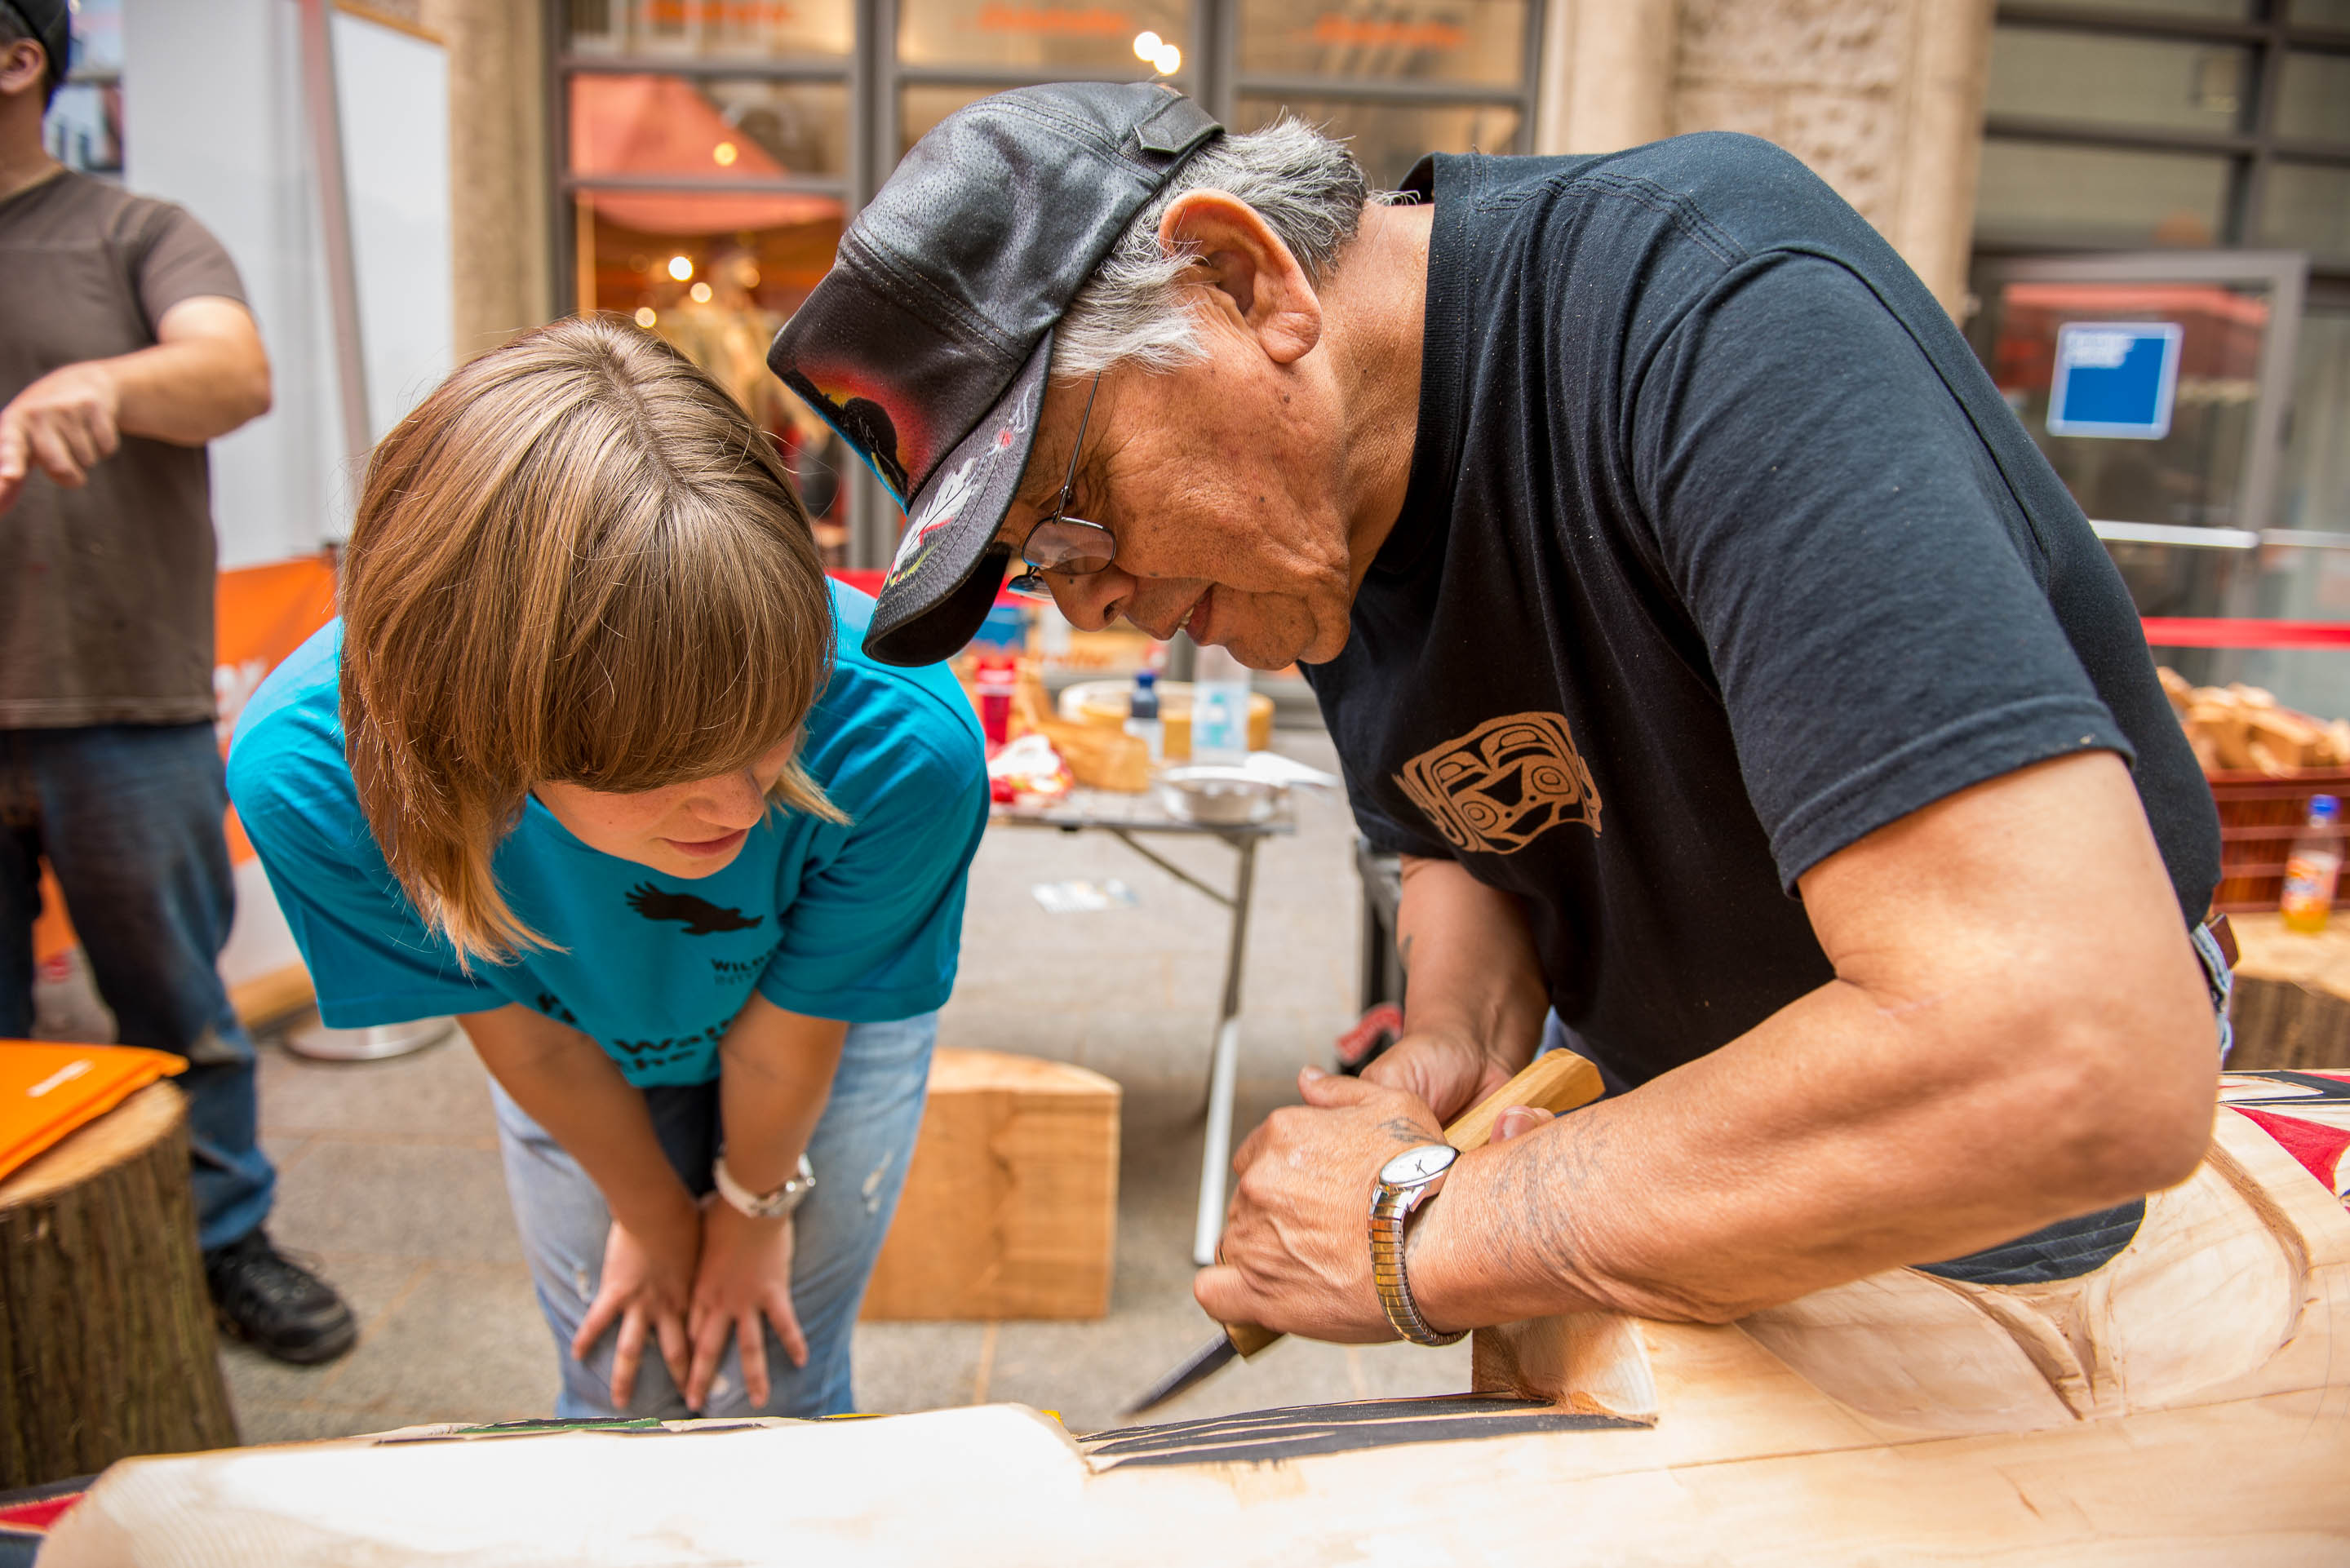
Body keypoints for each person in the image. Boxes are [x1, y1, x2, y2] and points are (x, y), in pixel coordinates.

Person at [765, 82, 2228, 1349]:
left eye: (1073, 522)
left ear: (1239, 279)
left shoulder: (1710, 315)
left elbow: (2066, 1053)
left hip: (1979, 1214)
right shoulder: (1306, 503)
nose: (1094, 607)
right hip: (1670, 1166)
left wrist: (1424, 1228)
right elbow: (1462, 824)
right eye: (1042, 572)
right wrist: (1453, 1033)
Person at [228, 318, 988, 1417]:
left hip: (813, 1024)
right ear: (480, 726)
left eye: (771, 728)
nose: (738, 805)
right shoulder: (318, 774)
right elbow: (522, 1033)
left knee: (767, 1381)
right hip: (565, 1022)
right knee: (616, 1382)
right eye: (662, 769)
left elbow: (795, 1035)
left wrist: (749, 1208)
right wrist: (654, 1216)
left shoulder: (899, 736)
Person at [0, 0, 359, 1363]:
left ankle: (226, 1245)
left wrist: (99, 376)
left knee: (179, 1010)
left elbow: (230, 369)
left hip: (120, 697)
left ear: (21, 58)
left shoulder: (133, 232)